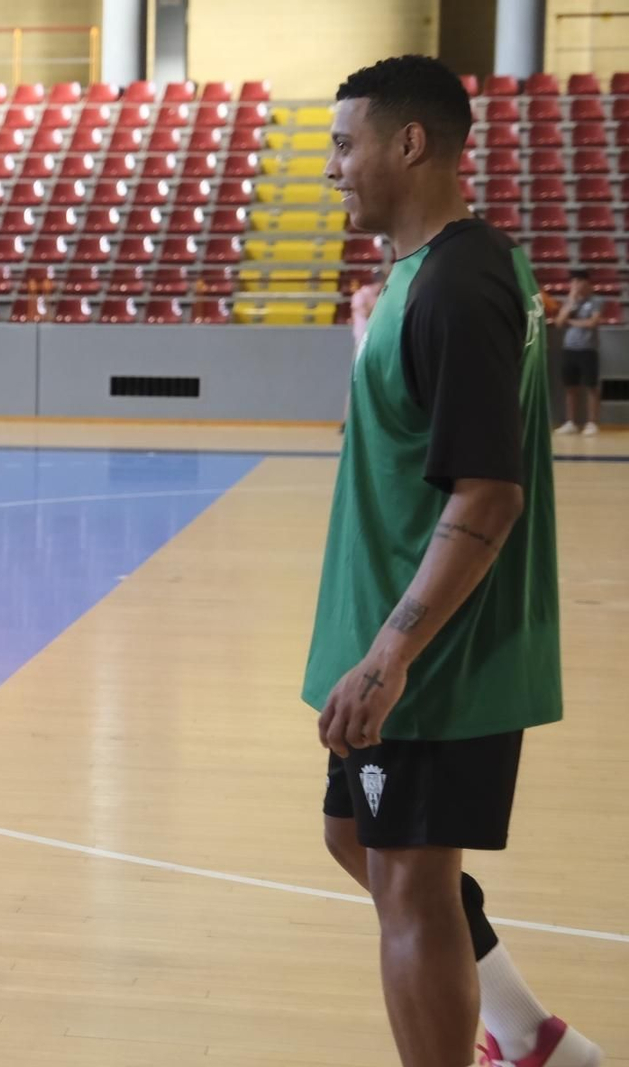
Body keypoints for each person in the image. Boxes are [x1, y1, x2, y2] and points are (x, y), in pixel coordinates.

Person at [309, 56, 602, 1067]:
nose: (333, 168)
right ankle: (530, 1035)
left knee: (412, 892)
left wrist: (388, 657)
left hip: (433, 661)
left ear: (410, 142)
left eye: (346, 144)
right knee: (356, 844)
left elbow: (488, 492)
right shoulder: (432, 274)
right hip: (404, 646)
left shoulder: (457, 289)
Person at [342, 241, 394, 431]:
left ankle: (377, 421)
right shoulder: (362, 295)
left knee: (380, 383)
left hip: (378, 341)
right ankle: (347, 421)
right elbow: (366, 312)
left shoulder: (384, 294)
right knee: (357, 382)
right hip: (362, 342)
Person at [553, 269, 602, 437]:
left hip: (588, 349)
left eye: (578, 281)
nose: (575, 285)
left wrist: (572, 321)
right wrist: (572, 301)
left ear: (587, 283)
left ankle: (592, 423)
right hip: (570, 348)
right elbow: (559, 323)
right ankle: (570, 422)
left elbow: (592, 323)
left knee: (591, 387)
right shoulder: (569, 301)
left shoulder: (595, 301)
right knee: (570, 387)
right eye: (573, 282)